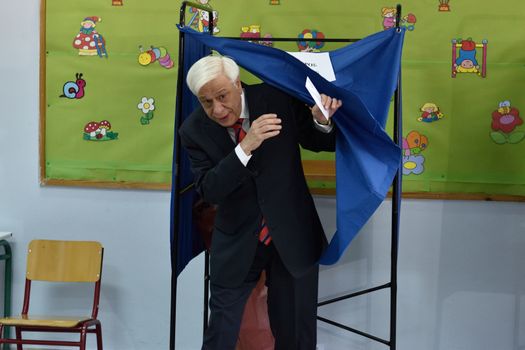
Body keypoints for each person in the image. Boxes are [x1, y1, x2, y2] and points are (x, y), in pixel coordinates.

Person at [179, 55, 342, 350]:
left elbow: (322, 142)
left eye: (222, 96)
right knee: (220, 335)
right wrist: (245, 146)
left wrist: (321, 121)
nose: (217, 109)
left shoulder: (276, 97)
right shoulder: (193, 130)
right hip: (237, 241)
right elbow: (210, 190)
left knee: (295, 335)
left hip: (292, 236)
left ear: (237, 83)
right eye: (206, 102)